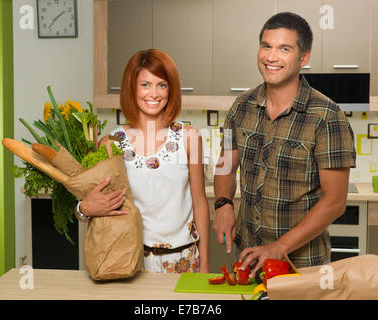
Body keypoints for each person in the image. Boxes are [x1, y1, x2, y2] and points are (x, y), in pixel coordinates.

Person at [213, 12, 356, 275]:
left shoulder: (327, 116)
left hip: (301, 266)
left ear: (304, 57)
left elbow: (335, 202)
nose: (271, 56)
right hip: (247, 258)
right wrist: (223, 204)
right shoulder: (240, 107)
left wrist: (278, 248)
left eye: (284, 49)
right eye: (266, 46)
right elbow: (225, 165)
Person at [77, 48, 210, 273]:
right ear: (132, 88)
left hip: (184, 259)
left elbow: (199, 202)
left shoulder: (189, 138)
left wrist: (205, 262)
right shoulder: (111, 143)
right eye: (145, 85)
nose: (154, 93)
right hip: (131, 259)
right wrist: (83, 208)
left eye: (162, 84)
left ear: (171, 89)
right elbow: (100, 206)